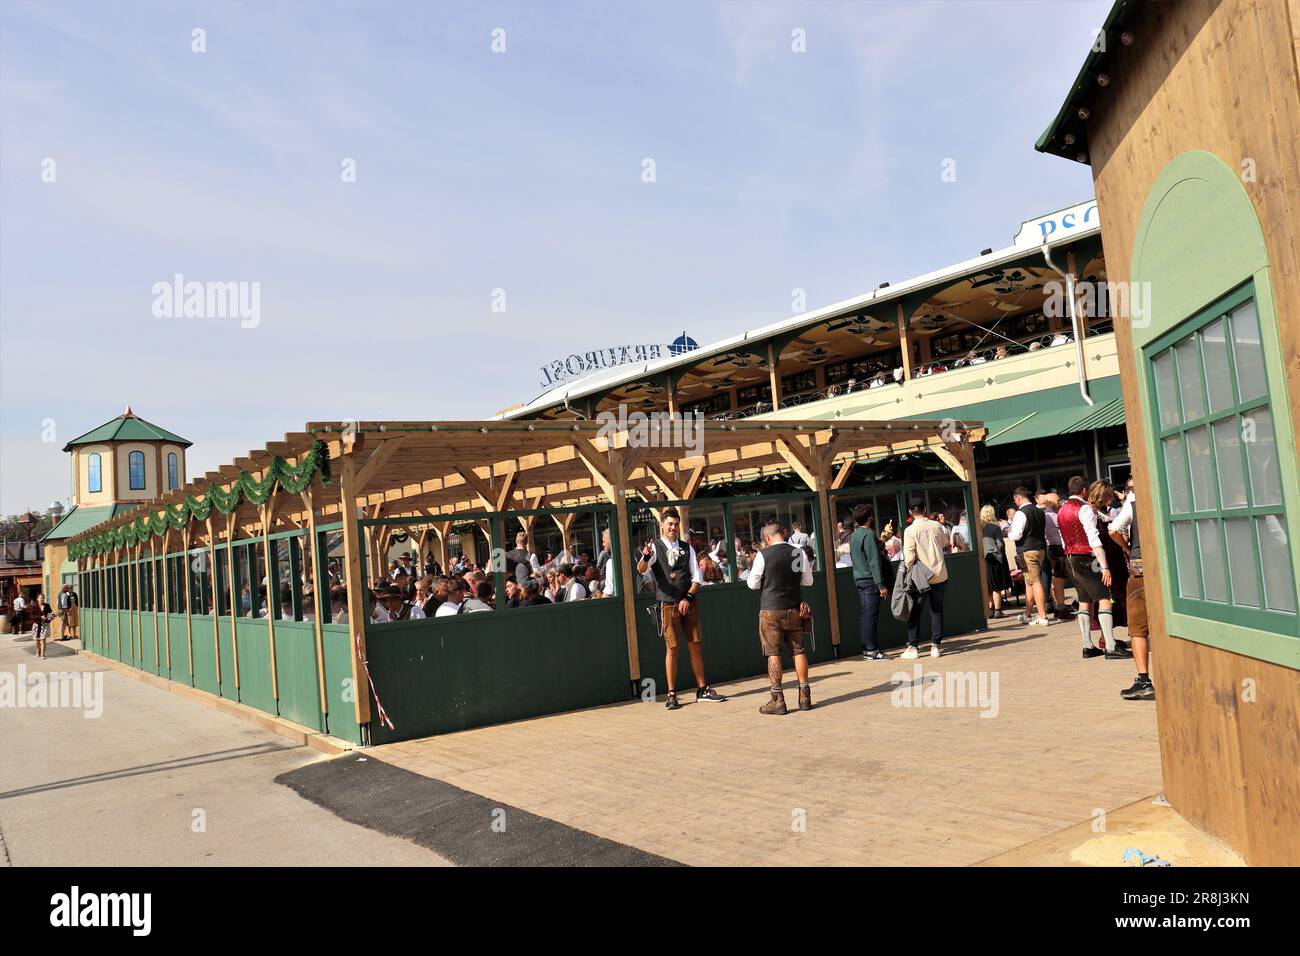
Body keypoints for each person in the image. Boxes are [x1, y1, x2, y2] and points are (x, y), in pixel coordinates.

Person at [636, 506, 727, 710]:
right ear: (662, 525)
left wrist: (688, 597)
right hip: (668, 604)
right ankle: (671, 694)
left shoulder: (687, 547)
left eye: (676, 524)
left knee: (695, 644)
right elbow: (642, 570)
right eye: (669, 524)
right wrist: (645, 556)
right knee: (673, 648)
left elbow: (698, 577)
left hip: (689, 603)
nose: (673, 528)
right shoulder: (655, 547)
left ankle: (702, 689)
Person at [747, 517, 815, 714]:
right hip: (794, 607)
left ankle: (778, 699)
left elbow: (752, 584)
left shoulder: (763, 555)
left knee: (773, 653)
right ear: (783, 533)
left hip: (770, 609)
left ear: (767, 537)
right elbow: (808, 581)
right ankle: (805, 696)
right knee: (798, 651)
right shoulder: (797, 552)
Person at [1058, 476, 1127, 660]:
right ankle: (1111, 646)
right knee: (1105, 597)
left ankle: (1088, 646)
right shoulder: (1085, 509)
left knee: (1083, 600)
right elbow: (1094, 539)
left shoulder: (1062, 509)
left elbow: (1063, 539)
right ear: (1084, 490)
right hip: (1088, 559)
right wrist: (1104, 567)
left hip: (1070, 559)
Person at [1110, 480, 1153, 700]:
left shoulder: (1133, 500)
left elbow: (1113, 529)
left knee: (1138, 627)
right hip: (1170, 568)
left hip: (1141, 569)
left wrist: (1126, 548)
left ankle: (1144, 679)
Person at [901, 499, 948, 658]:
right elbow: (944, 543)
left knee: (915, 611)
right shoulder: (937, 526)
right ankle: (935, 646)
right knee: (937, 610)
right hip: (940, 573)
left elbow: (909, 556)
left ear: (910, 512)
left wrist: (908, 571)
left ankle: (913, 646)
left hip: (921, 577)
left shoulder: (910, 531)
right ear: (925, 509)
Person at [849, 503, 891, 660]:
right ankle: (871, 650)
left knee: (866, 614)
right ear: (869, 518)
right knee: (870, 616)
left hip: (859, 578)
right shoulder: (869, 534)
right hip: (870, 580)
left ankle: (868, 649)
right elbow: (874, 560)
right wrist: (881, 585)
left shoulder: (854, 535)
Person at [1008, 486, 1052, 626]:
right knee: (1030, 582)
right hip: (1040, 549)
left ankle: (1042, 616)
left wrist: (1008, 534)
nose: (1015, 503)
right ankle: (1027, 614)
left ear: (1018, 498)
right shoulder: (1039, 511)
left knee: (1036, 582)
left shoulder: (1020, 513)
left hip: (1027, 550)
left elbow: (1016, 535)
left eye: (1015, 500)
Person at [1038, 491, 1072, 620]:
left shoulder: (1045, 514)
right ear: (1051, 502)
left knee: (1053, 578)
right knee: (1059, 578)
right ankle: (1061, 607)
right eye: (1057, 501)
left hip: (1050, 547)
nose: (1059, 503)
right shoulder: (1051, 515)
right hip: (1056, 547)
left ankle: (1057, 606)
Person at [980, 505, 1010, 618]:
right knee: (997, 586)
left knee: (988, 586)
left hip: (983, 559)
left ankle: (990, 610)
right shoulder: (994, 527)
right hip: (995, 557)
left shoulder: (979, 528)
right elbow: (1000, 544)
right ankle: (998, 610)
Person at [31, 594, 53, 659]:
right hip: (37, 625)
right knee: (37, 640)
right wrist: (40, 617)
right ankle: (38, 650)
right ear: (37, 599)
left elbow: (50, 614)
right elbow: (31, 616)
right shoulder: (34, 606)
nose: (42, 599)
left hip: (45, 625)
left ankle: (43, 655)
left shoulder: (47, 605)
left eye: (43, 598)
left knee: (43, 639)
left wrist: (50, 618)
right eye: (41, 598)